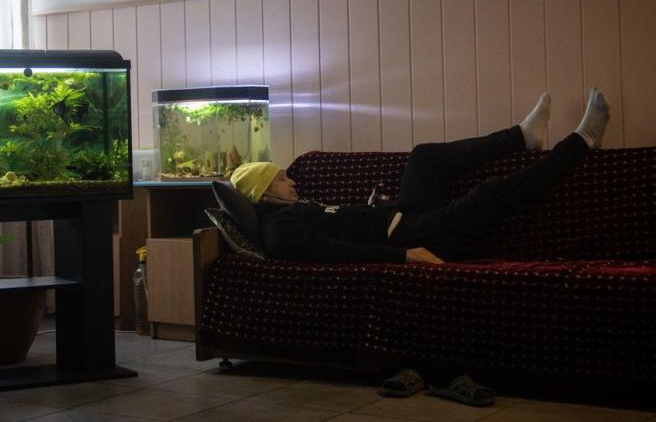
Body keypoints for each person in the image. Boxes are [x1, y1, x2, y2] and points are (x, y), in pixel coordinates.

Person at [230, 88, 610, 264]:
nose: (292, 180)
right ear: (263, 194)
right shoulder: (279, 230)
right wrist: (401, 257)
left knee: (424, 156)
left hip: (404, 214)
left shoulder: (292, 210)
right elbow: (335, 253)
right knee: (490, 195)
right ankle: (582, 141)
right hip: (413, 237)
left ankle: (522, 137)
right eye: (281, 178)